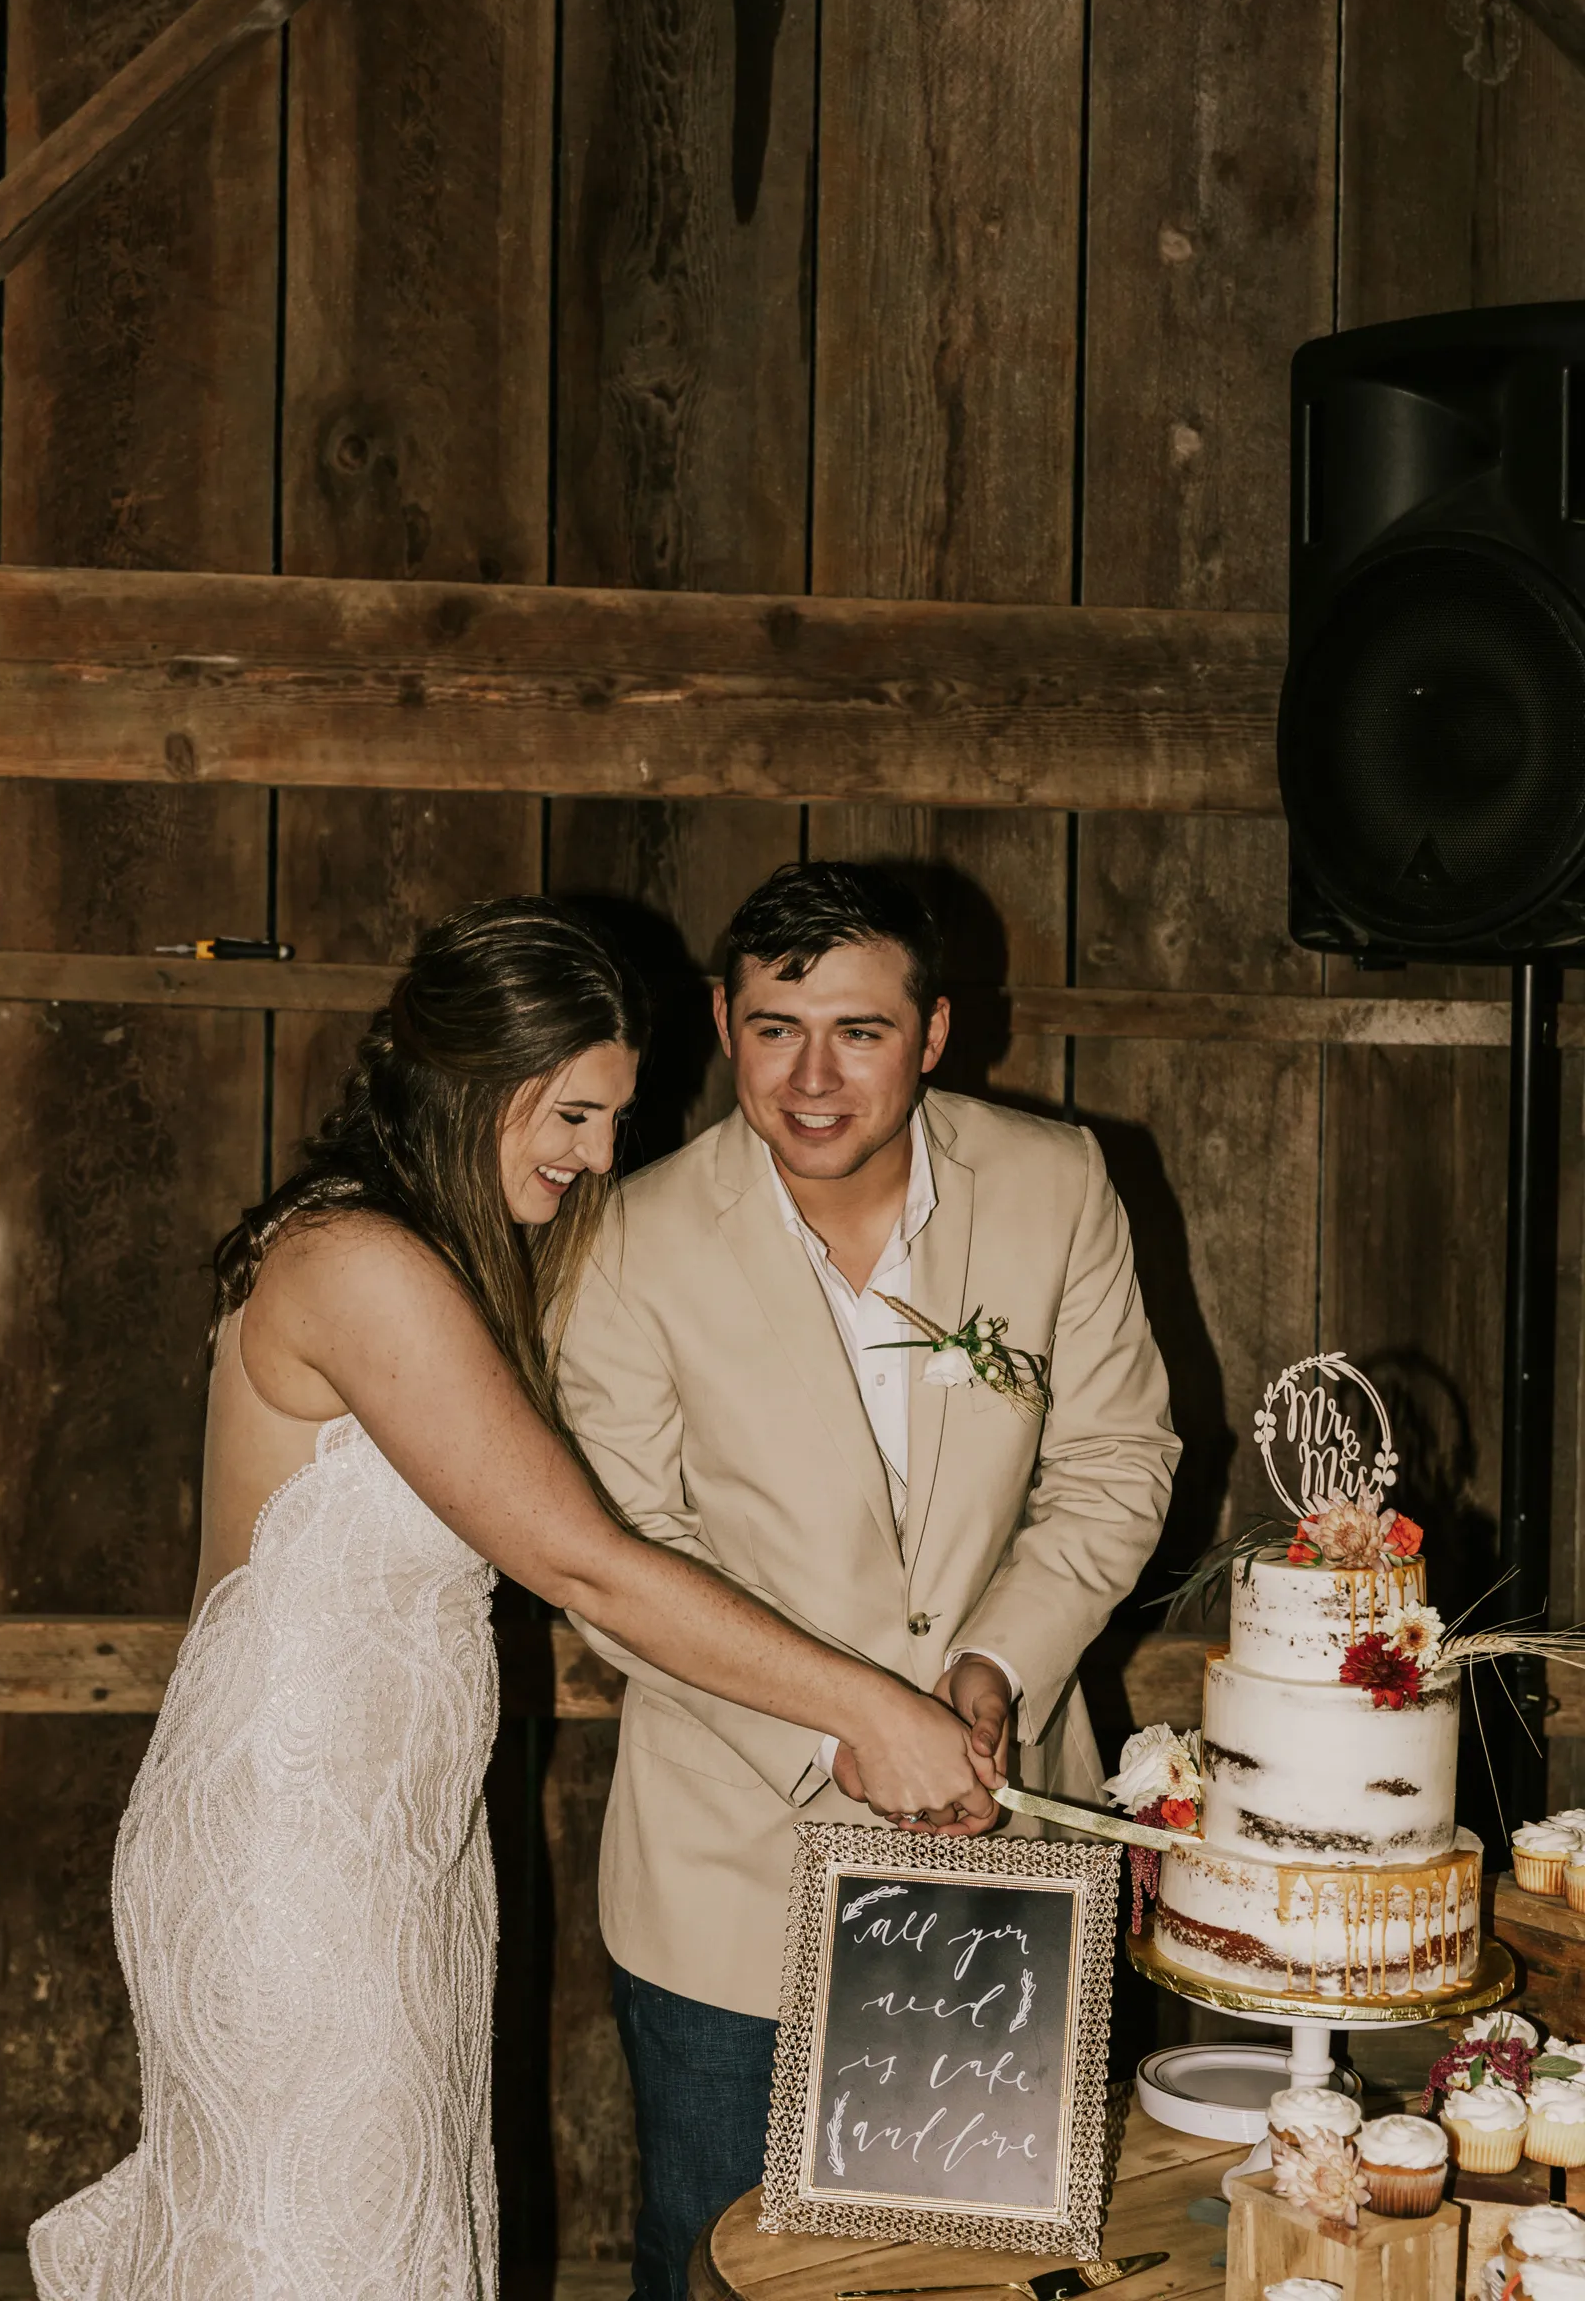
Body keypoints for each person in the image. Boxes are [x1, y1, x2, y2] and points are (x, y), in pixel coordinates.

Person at [28, 896, 995, 2301]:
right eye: (576, 1115)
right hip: (290, 1850)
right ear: (479, 1077)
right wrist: (867, 1707)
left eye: (613, 1119)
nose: (601, 1156)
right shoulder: (354, 1263)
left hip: (392, 1845)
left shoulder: (435, 1252)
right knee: (313, 2250)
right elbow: (584, 1559)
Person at [556, 861, 1182, 2301]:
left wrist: (993, 1671)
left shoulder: (1057, 1184)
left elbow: (1117, 1461)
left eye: (861, 1030)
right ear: (722, 1022)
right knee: (721, 2271)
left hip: (1004, 1852)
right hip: (730, 1880)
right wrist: (842, 1731)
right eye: (778, 1028)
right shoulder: (622, 1240)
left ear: (936, 1033)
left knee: (989, 2279)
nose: (815, 1076)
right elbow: (619, 1558)